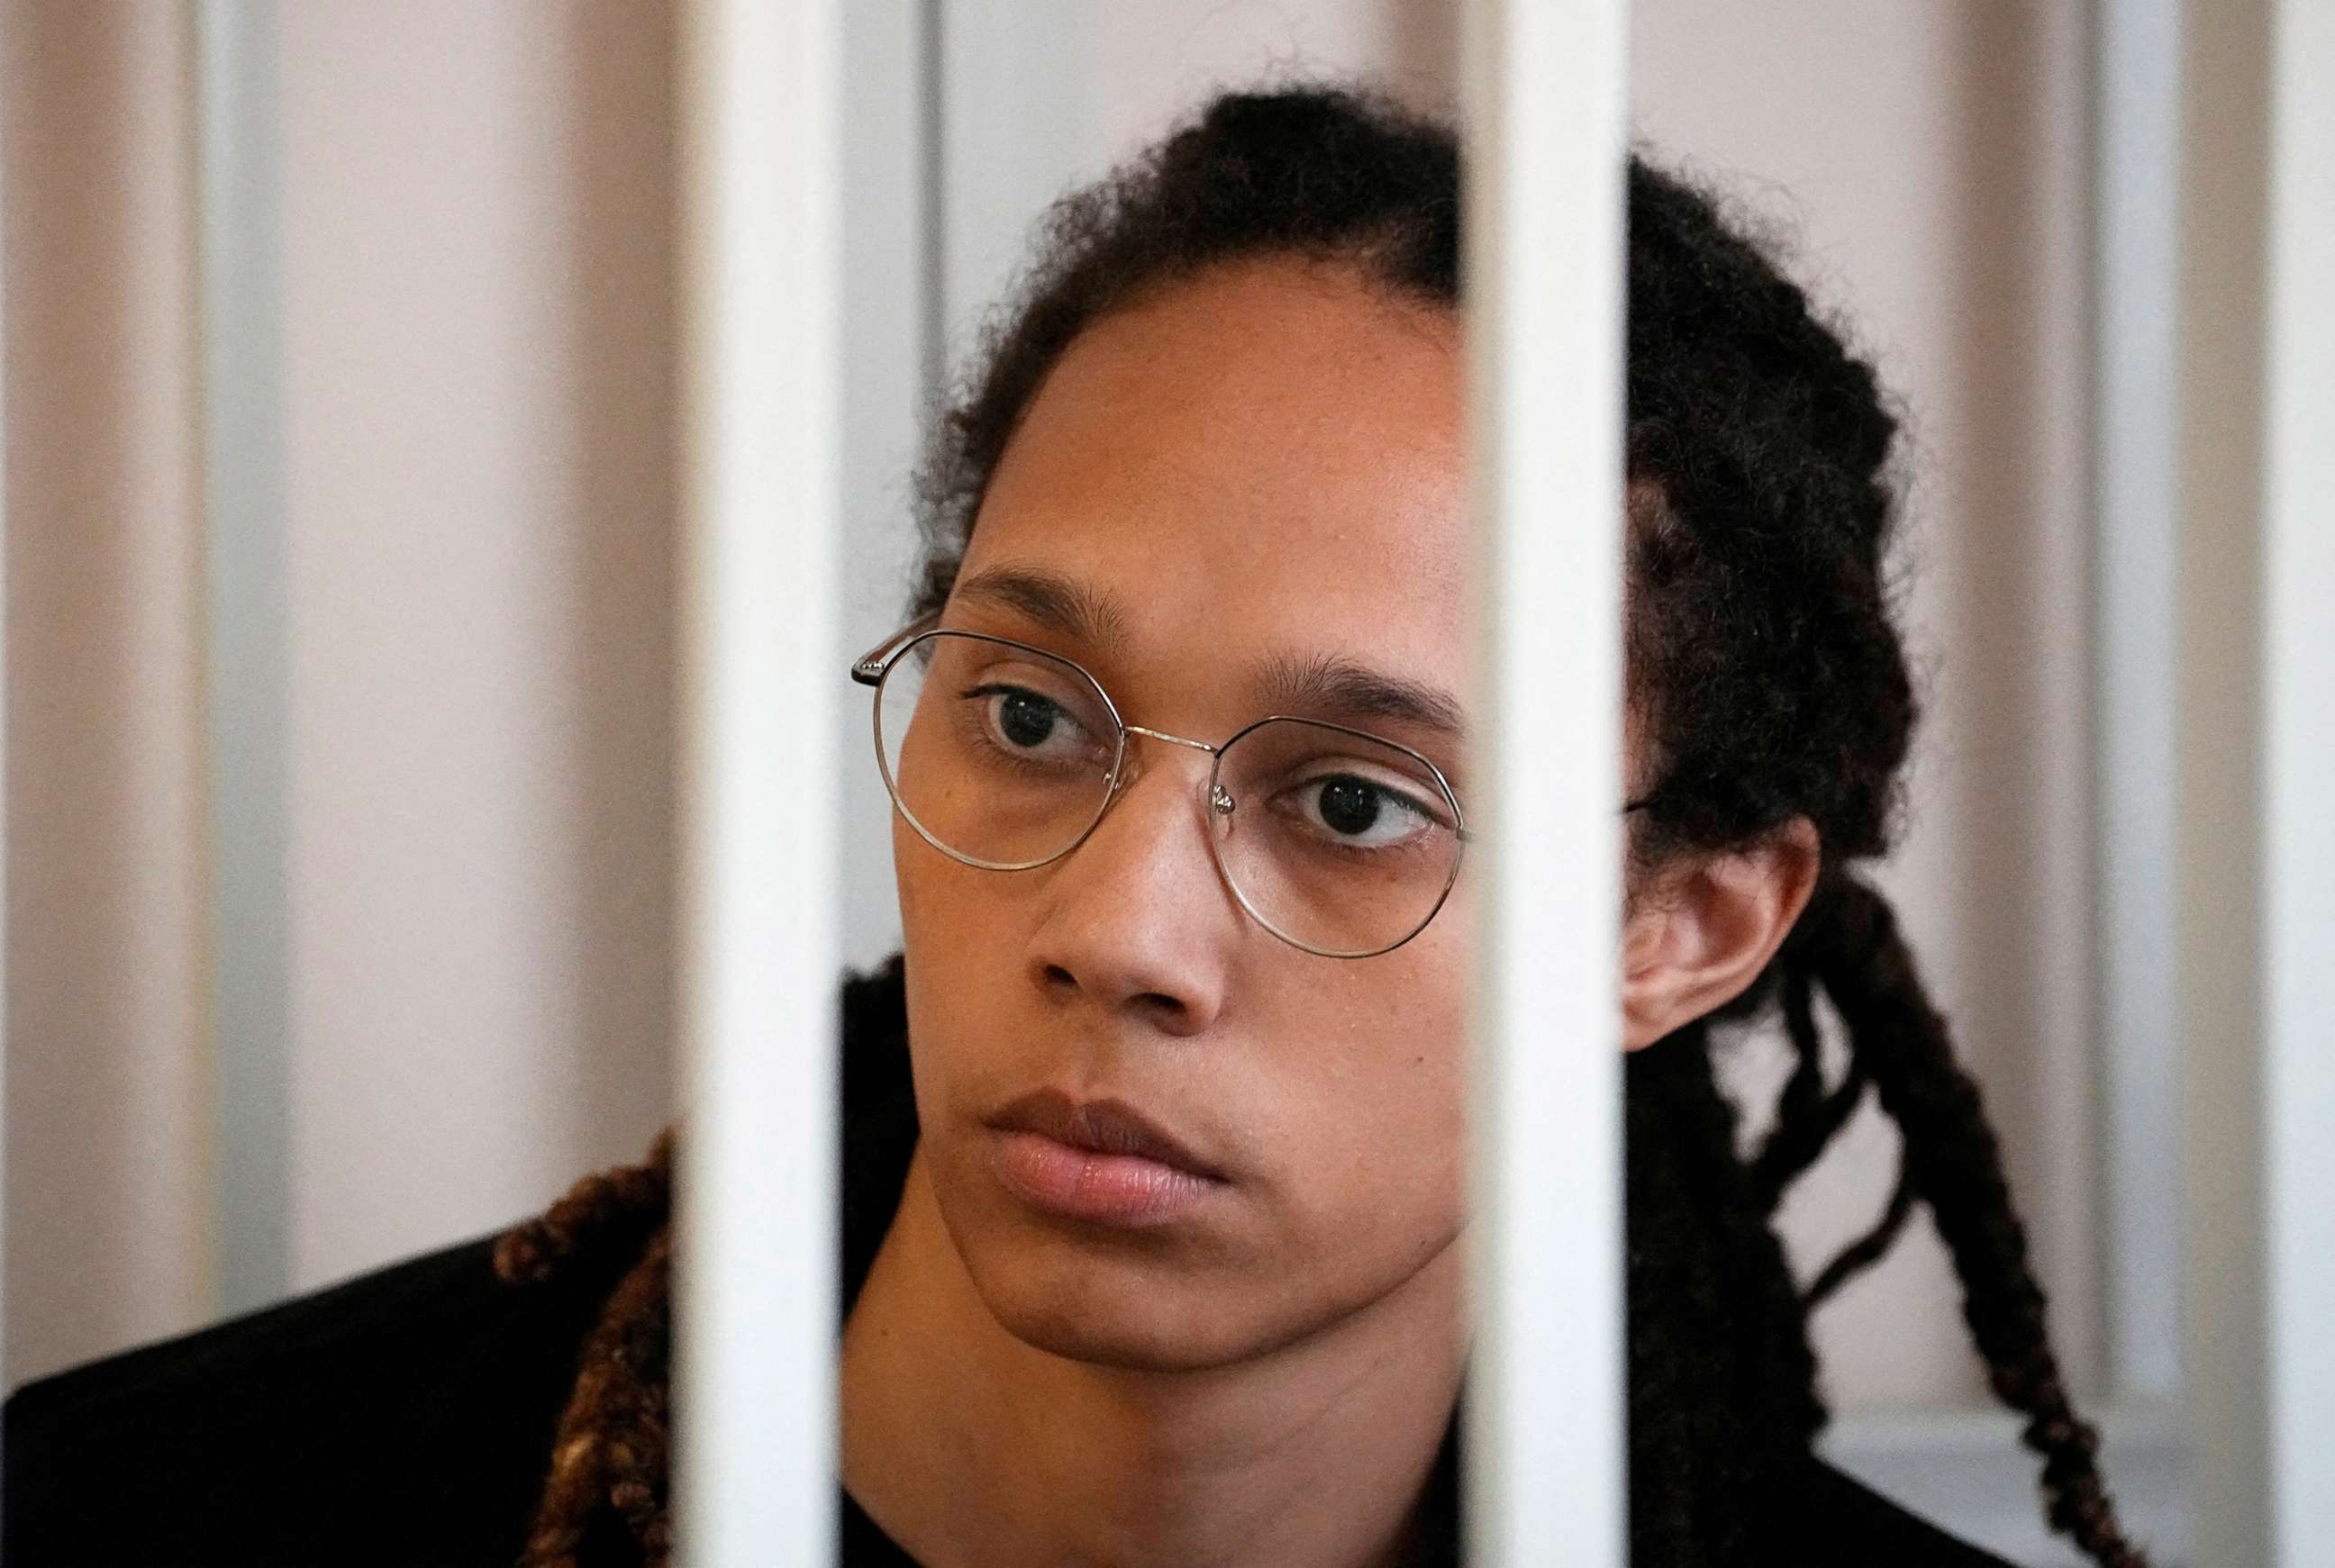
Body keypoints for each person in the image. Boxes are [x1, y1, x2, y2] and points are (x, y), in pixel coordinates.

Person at [1, 84, 2146, 1568]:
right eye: (1027, 711)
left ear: (1675, 925)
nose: (1118, 927)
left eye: (1352, 801)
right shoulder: (157, 1518)